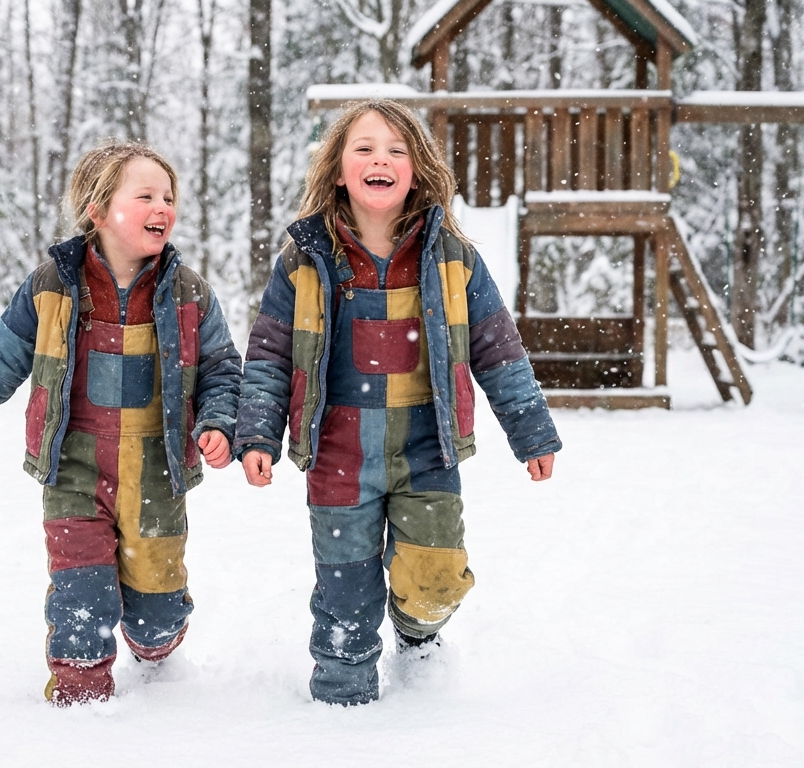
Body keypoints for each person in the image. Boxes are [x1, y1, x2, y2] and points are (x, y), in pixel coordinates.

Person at [235, 100, 561, 706]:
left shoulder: (452, 258)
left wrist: (531, 431)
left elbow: (498, 348)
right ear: (337, 169)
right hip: (340, 454)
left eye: (396, 150)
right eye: (363, 148)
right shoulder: (305, 261)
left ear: (416, 170)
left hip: (426, 447)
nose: (380, 158)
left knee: (436, 577)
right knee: (345, 592)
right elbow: (271, 354)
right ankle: (341, 700)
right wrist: (256, 434)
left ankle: (418, 634)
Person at [0, 141, 241, 706]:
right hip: (74, 465)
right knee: (80, 592)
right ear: (97, 210)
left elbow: (221, 368)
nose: (161, 206)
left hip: (157, 471)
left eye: (168, 196)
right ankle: (79, 699)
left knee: (156, 607)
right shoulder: (52, 287)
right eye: (144, 195)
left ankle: (158, 648)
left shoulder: (189, 293)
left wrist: (217, 421)